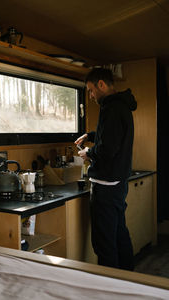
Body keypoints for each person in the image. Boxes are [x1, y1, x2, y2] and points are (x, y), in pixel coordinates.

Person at [75, 68, 137, 271]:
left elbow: (108, 148)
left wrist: (88, 154)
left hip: (106, 184)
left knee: (104, 243)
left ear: (101, 84)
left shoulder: (111, 108)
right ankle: (128, 279)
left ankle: (109, 286)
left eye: (91, 91)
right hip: (117, 182)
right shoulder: (120, 106)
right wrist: (90, 135)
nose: (91, 96)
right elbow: (110, 135)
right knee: (119, 233)